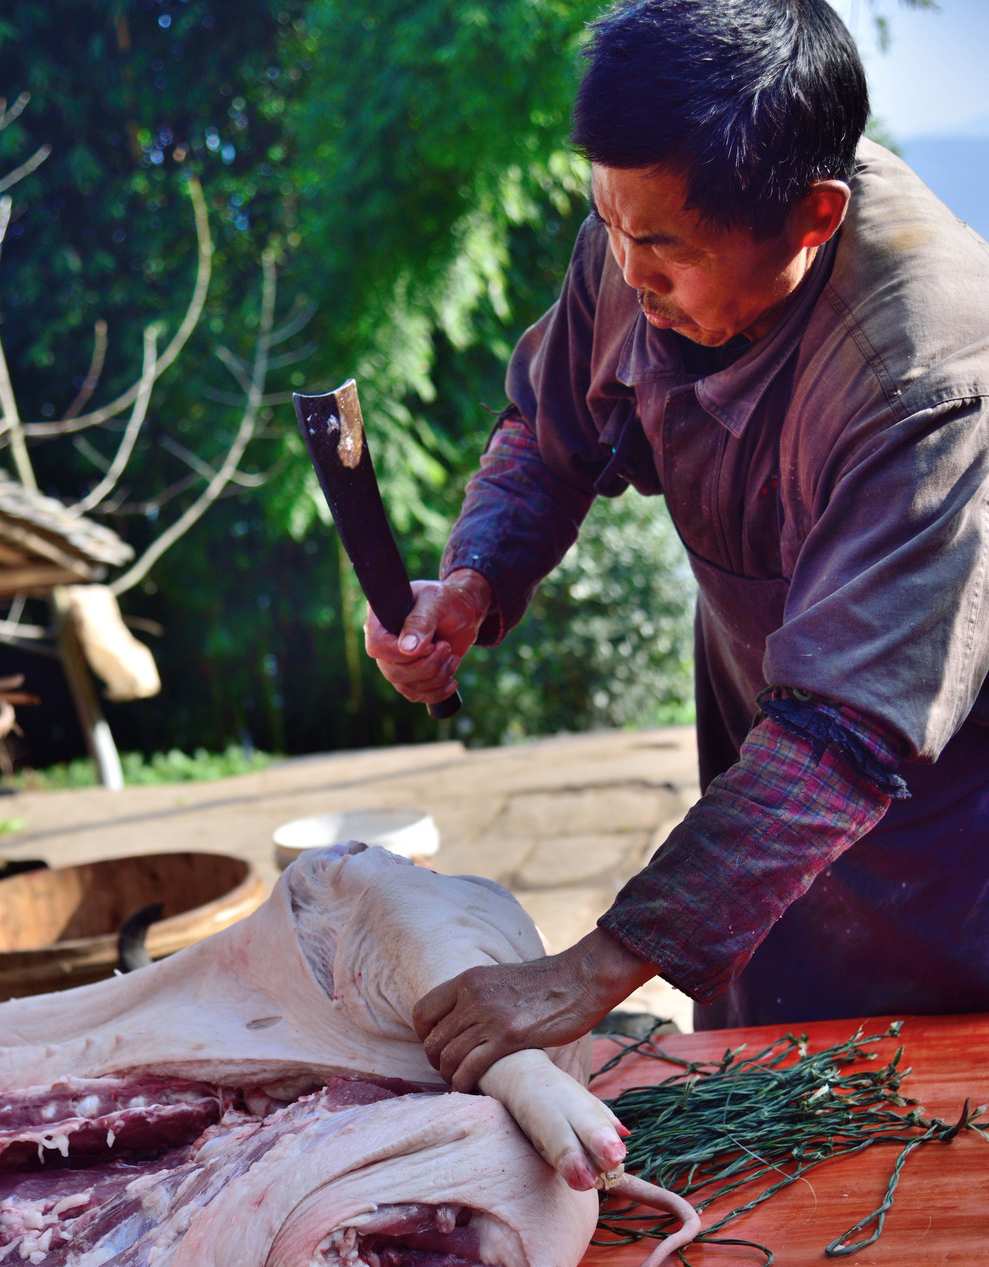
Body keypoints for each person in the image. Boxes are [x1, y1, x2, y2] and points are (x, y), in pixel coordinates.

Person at [366, 0, 989, 1098]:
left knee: (916, 1133)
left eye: (662, 247)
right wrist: (474, 578)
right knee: (760, 1103)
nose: (628, 269)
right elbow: (548, 434)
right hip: (766, 792)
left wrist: (594, 967)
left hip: (940, 847)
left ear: (812, 216)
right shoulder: (641, 228)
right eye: (609, 222)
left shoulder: (930, 379)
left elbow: (842, 739)